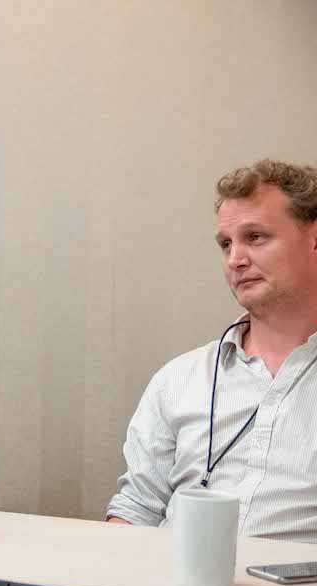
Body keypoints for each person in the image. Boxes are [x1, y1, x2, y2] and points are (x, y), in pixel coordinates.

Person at [107, 159, 317, 542]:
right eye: (226, 244)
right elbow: (137, 508)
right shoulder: (179, 379)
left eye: (255, 237)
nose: (235, 259)